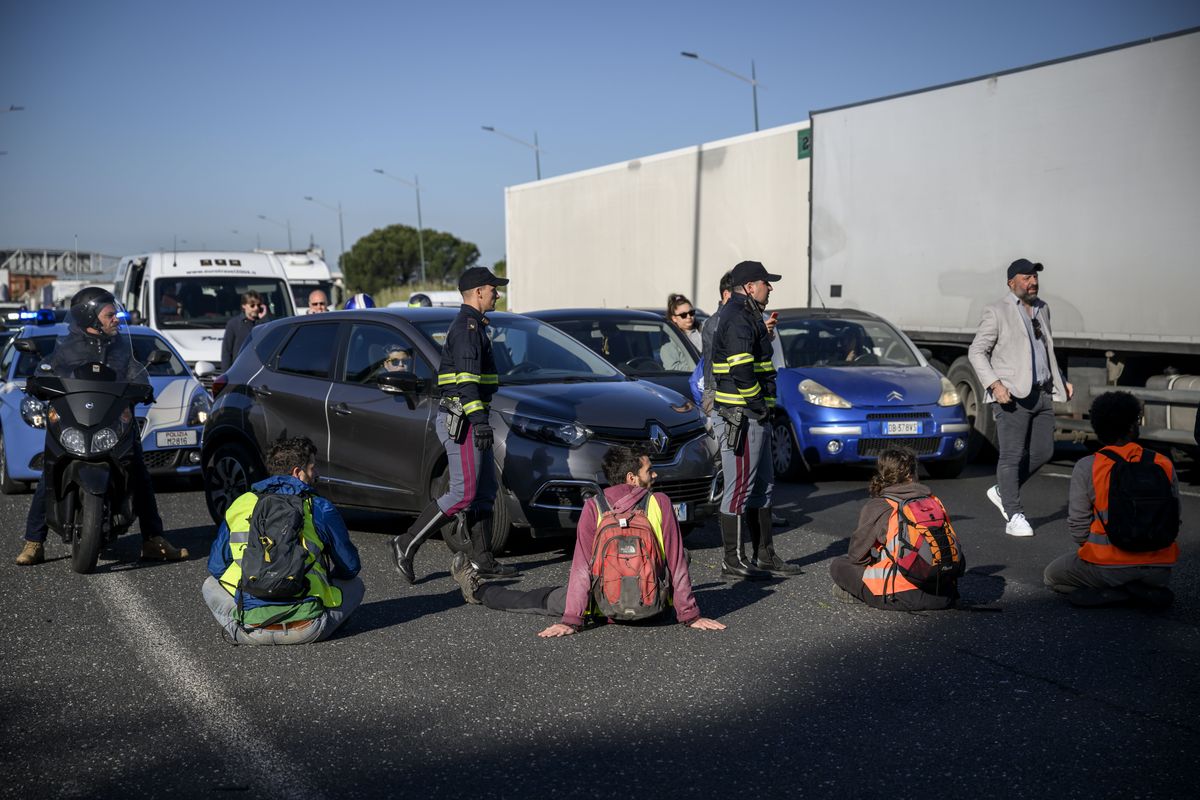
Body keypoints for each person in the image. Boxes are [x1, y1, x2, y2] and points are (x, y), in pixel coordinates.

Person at [450, 445, 725, 636]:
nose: (654, 475)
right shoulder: (660, 503)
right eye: (649, 470)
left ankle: (478, 590)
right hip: (654, 608)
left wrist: (571, 620)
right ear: (632, 478)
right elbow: (676, 564)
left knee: (533, 598)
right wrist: (690, 616)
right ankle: (669, 604)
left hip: (601, 606)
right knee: (682, 554)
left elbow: (582, 566)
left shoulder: (594, 506)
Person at [15, 287, 188, 566]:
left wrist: (143, 386)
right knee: (49, 472)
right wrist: (37, 381)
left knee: (139, 473)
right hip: (74, 421)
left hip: (112, 423)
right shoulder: (67, 348)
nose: (116, 319)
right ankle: (34, 541)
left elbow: (134, 371)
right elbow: (48, 369)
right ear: (90, 318)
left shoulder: (120, 347)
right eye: (109, 315)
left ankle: (153, 540)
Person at [392, 266, 517, 583]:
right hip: (463, 419)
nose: (497, 294)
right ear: (478, 292)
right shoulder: (467, 329)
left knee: (485, 492)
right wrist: (479, 420)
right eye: (493, 289)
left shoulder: (475, 327)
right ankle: (405, 543)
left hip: (474, 417)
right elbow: (466, 383)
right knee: (463, 493)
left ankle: (483, 560)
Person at [203, 436, 364, 645]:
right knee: (355, 585)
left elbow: (216, 566)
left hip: (252, 632)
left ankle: (241, 620)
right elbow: (350, 567)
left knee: (210, 584)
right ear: (297, 472)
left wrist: (253, 585)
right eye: (312, 468)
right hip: (308, 629)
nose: (316, 473)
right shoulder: (318, 506)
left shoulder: (241, 504)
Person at [1043, 392, 1179, 608]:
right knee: (1143, 575)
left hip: (1108, 567)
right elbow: (1175, 517)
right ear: (1133, 427)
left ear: (1098, 429)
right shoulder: (1162, 462)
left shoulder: (1089, 465)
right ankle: (1141, 589)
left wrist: (1094, 551)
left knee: (1052, 576)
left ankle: (1117, 591)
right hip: (1160, 570)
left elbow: (1078, 528)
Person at [968, 258, 1073, 537]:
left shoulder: (1042, 308)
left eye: (1035, 277)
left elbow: (1045, 350)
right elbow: (976, 352)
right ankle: (1014, 514)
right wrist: (995, 385)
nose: (1033, 282)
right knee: (1012, 455)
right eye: (1026, 277)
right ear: (1011, 282)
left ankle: (1003, 490)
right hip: (1012, 395)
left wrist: (1061, 379)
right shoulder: (996, 311)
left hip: (1042, 392)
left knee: (1043, 452)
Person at [710, 260, 798, 578]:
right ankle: (733, 561)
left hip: (754, 415)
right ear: (749, 287)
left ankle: (764, 556)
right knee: (739, 490)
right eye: (765, 282)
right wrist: (758, 406)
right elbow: (742, 369)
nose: (770, 287)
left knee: (763, 486)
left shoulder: (747, 314)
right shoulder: (738, 317)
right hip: (743, 417)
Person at [828, 447, 961, 610]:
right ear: (913, 474)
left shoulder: (880, 505)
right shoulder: (933, 501)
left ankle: (856, 593)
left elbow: (857, 557)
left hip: (900, 596)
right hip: (945, 592)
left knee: (839, 565)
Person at [221, 290, 266, 371]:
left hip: (259, 370)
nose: (256, 308)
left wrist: (263, 318)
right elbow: (226, 352)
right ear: (244, 306)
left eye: (259, 305)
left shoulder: (264, 323)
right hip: (239, 370)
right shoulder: (234, 324)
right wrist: (226, 373)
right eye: (252, 305)